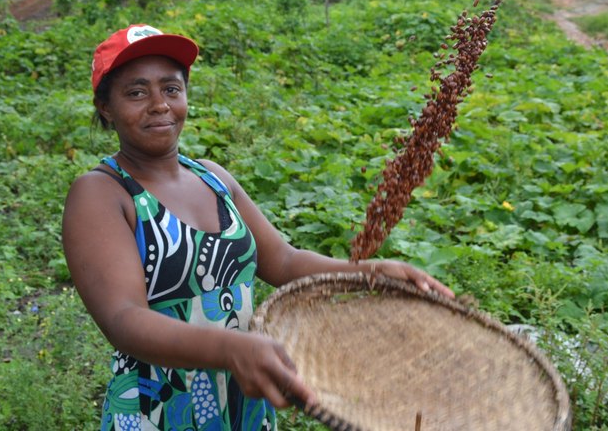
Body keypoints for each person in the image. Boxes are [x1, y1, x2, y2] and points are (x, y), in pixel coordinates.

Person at [62, 24, 454, 431]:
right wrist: (231, 349)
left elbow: (282, 261)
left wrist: (369, 273)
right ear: (105, 107)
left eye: (171, 89)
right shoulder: (102, 194)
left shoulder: (213, 178)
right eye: (137, 92)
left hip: (243, 401)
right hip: (159, 408)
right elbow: (124, 319)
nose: (159, 104)